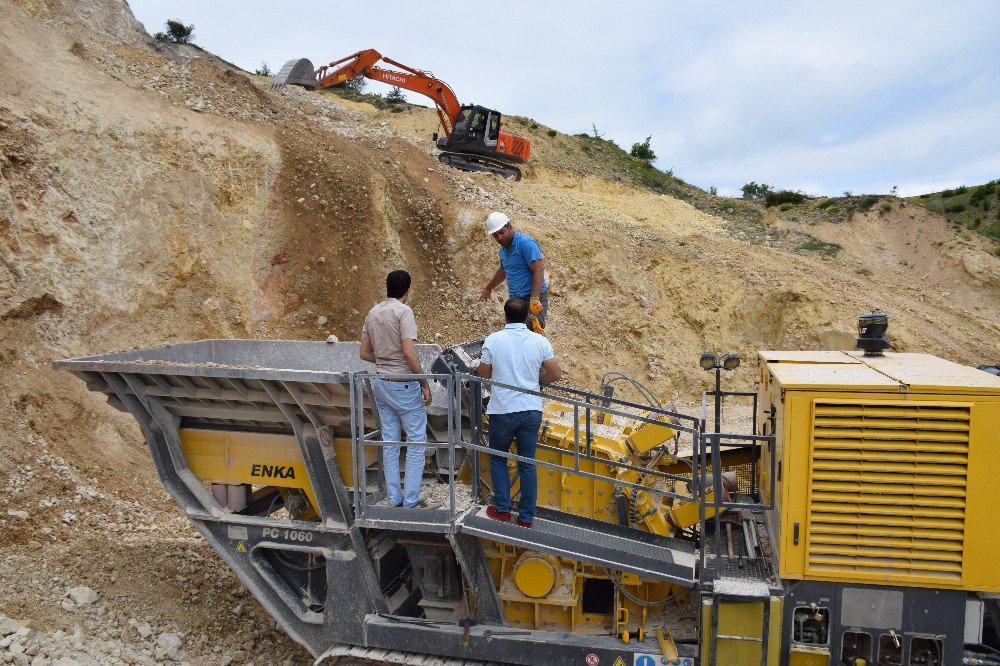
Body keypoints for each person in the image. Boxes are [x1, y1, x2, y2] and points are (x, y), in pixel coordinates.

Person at [476, 297, 562, 528]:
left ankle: (503, 510)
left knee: (498, 458)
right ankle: (526, 518)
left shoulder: (493, 340)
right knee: (527, 462)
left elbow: (483, 374)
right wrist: (536, 380)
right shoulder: (539, 341)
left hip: (502, 410)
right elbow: (555, 374)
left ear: (505, 316)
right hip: (531, 409)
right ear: (527, 317)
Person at [360, 270, 432, 508]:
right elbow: (409, 352)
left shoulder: (373, 312)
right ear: (407, 291)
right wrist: (424, 382)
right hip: (404, 385)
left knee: (390, 442)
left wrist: (384, 361)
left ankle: (394, 498)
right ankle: (411, 499)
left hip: (381, 384)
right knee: (415, 442)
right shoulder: (404, 312)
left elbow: (364, 353)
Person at [480, 212, 549, 333]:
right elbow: (503, 271)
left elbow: (538, 270)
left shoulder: (525, 243)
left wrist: (534, 299)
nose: (499, 237)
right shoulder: (503, 250)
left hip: (531, 296)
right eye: (495, 235)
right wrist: (488, 288)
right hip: (516, 300)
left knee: (530, 328)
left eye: (502, 232)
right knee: (514, 332)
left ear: (510, 227)